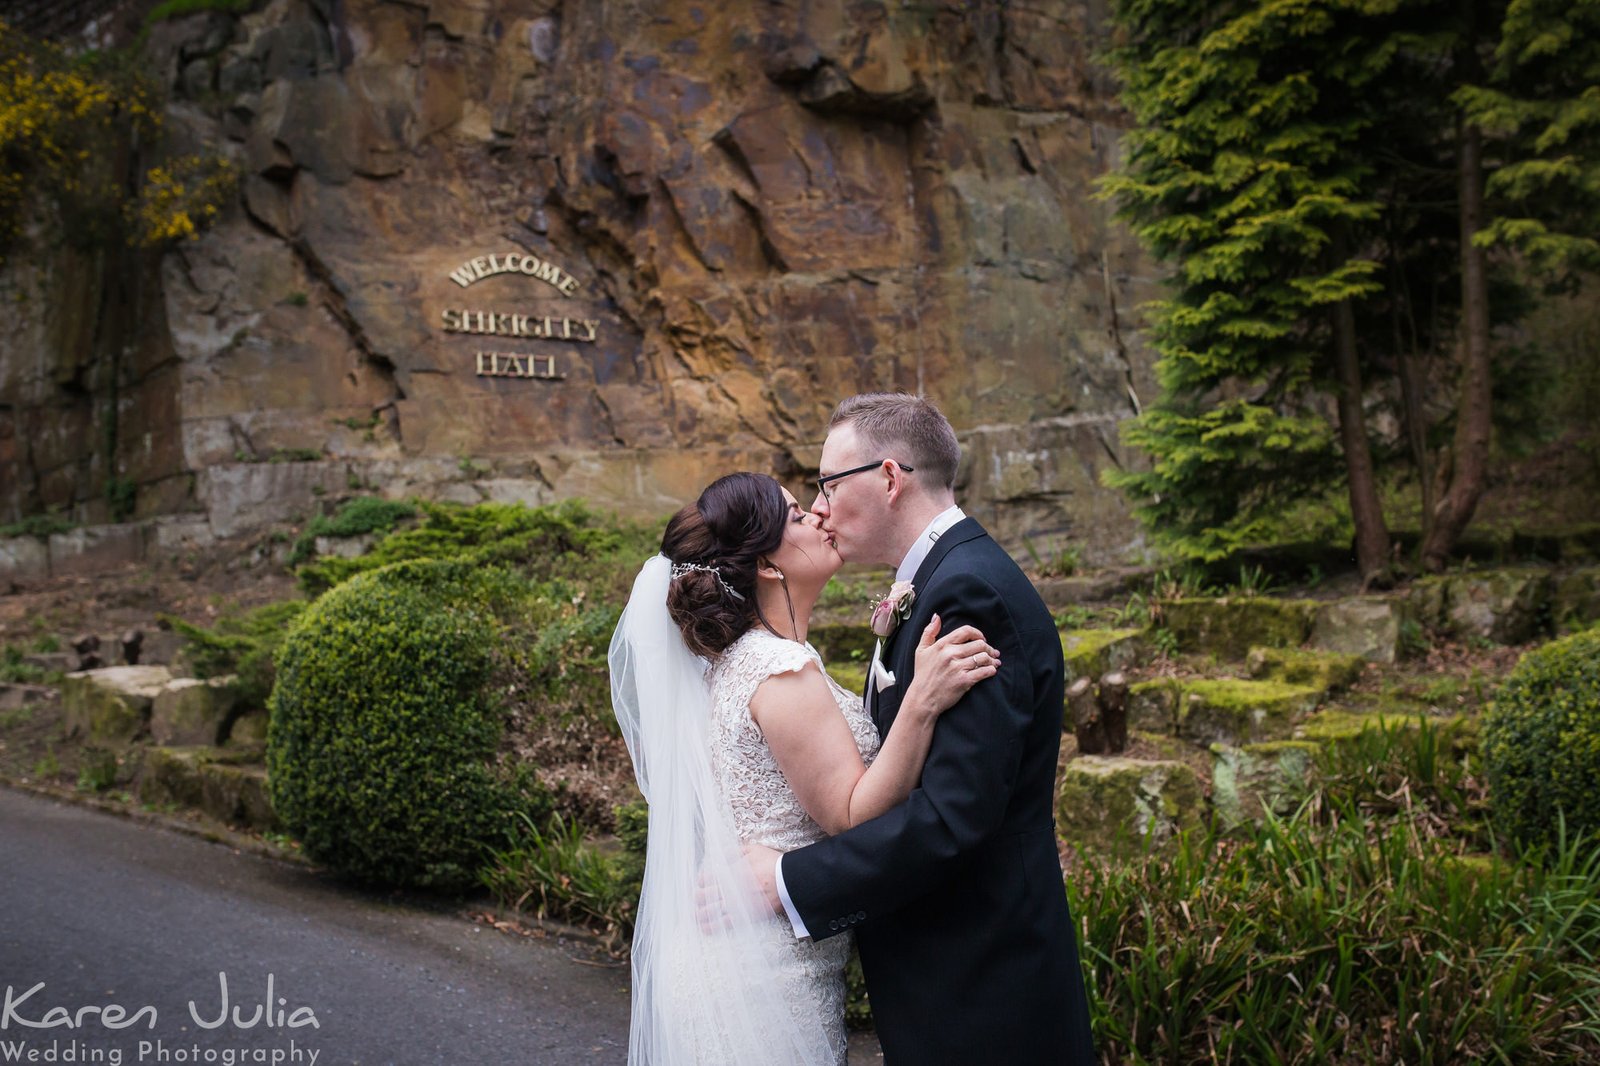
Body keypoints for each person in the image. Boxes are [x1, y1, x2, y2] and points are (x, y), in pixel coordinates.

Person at [746, 392, 1097, 1064]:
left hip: (985, 980)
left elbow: (953, 816)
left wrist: (790, 880)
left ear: (888, 477)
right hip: (959, 971)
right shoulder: (940, 582)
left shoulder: (969, 593)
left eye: (827, 483)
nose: (819, 506)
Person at [609, 471, 1001, 1065]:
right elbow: (851, 813)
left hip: (743, 958)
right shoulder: (779, 669)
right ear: (767, 565)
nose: (818, 517)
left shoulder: (742, 662)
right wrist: (921, 701)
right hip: (766, 981)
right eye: (796, 516)